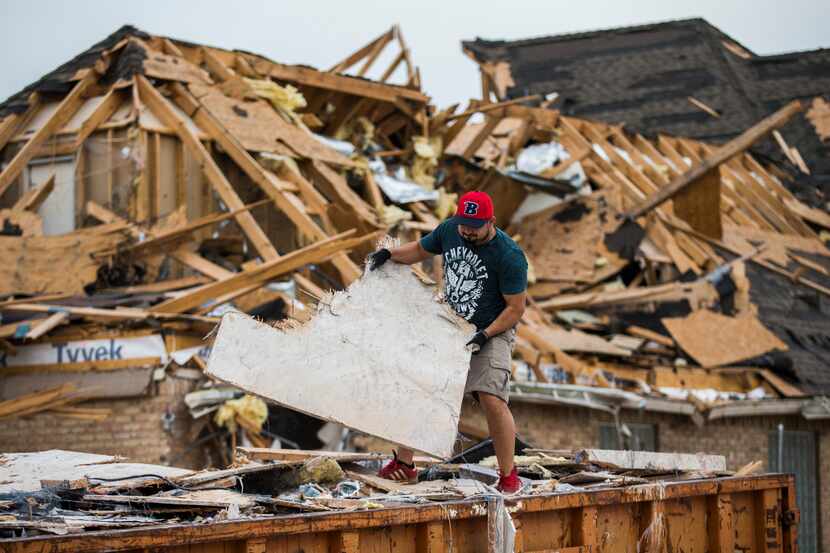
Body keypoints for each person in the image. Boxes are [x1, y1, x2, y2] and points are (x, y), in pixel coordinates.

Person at [367, 190, 528, 493]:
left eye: (474, 226)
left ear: (491, 222)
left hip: (493, 329)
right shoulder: (450, 230)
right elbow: (419, 250)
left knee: (491, 398)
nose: (467, 230)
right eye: (463, 223)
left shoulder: (510, 256)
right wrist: (390, 255)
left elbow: (516, 309)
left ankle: (509, 476)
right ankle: (404, 463)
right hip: (453, 325)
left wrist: (485, 335)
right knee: (420, 385)